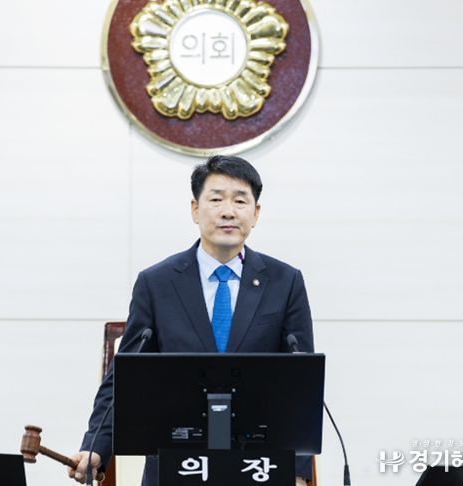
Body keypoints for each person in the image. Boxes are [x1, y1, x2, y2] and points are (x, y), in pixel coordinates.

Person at [68, 155, 314, 486]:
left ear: (255, 213)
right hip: (176, 465)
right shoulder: (157, 283)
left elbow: (300, 386)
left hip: (257, 467)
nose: (228, 211)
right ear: (195, 209)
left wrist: (296, 472)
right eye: (216, 199)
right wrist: (95, 448)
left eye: (240, 201)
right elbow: (125, 377)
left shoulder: (285, 282)